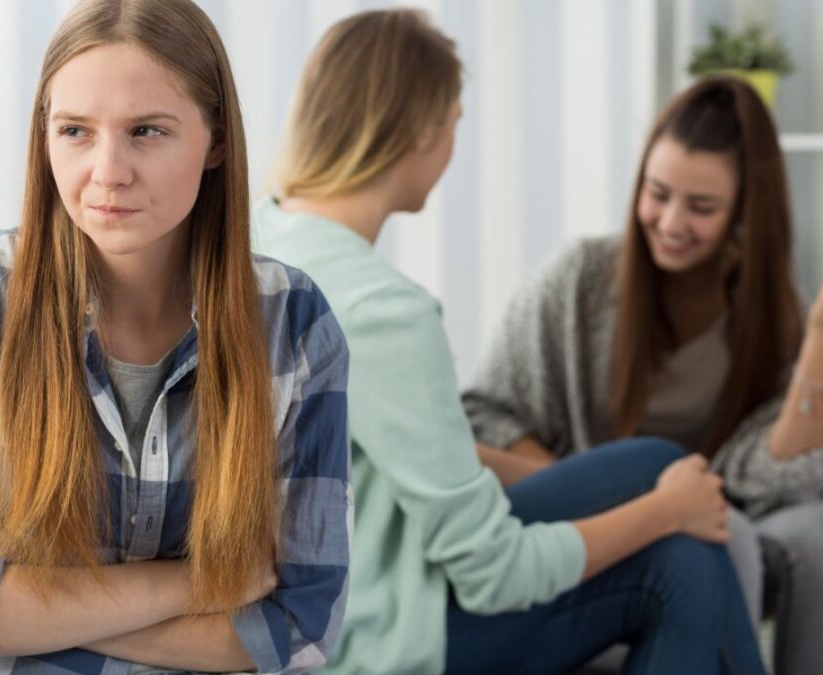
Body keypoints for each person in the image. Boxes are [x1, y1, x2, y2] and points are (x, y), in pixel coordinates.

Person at [254, 10, 765, 675]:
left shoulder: (259, 237)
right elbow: (492, 573)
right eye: (454, 123)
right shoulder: (385, 312)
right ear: (423, 133)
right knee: (679, 548)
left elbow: (384, 460)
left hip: (320, 595)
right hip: (364, 638)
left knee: (656, 476)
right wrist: (662, 512)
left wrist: (605, 488)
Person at [0, 1, 351, 672]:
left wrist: (23, 607)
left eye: (147, 131)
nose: (107, 172)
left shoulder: (294, 322)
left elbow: (303, 627)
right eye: (75, 130)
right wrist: (198, 584)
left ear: (216, 141)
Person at [463, 76, 823, 675]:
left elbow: (791, 481)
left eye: (702, 208)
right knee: (722, 534)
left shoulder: (774, 310)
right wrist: (598, 490)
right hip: (610, 521)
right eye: (657, 194)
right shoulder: (578, 280)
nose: (671, 221)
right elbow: (484, 414)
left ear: (745, 211)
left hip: (725, 504)